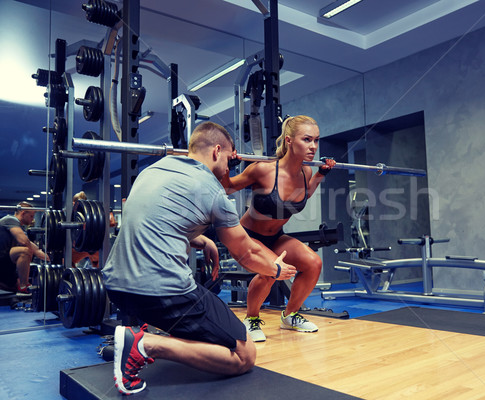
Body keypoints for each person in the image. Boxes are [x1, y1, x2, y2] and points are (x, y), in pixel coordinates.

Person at [102, 121, 297, 395]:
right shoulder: (213, 191)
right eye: (230, 158)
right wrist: (275, 269)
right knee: (244, 354)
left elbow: (155, 220)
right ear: (217, 151)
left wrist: (203, 239)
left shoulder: (152, 171)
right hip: (162, 293)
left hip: (117, 290)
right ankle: (144, 344)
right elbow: (246, 251)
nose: (231, 167)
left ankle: (144, 328)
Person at [220, 115, 335, 342]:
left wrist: (321, 174)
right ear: (290, 141)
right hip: (247, 237)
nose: (313, 146)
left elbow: (306, 194)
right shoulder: (263, 170)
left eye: (316, 140)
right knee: (274, 269)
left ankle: (290, 315)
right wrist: (226, 166)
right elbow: (227, 188)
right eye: (307, 139)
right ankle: (251, 319)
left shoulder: (306, 172)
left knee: (313, 263)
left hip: (276, 237)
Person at [0, 201, 50, 295]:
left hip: (6, 264)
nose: (33, 219)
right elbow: (24, 241)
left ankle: (21, 286)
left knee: (15, 288)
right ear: (23, 213)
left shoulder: (19, 228)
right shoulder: (10, 220)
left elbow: (36, 250)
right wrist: (30, 255)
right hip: (2, 259)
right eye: (31, 216)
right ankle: (24, 286)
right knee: (24, 251)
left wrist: (52, 259)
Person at [71, 191, 100, 268]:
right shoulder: (90, 215)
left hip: (83, 246)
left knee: (68, 260)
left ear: (74, 203)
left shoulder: (75, 216)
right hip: (90, 246)